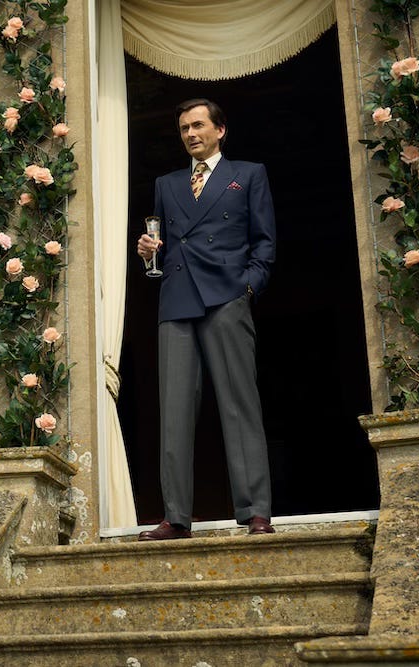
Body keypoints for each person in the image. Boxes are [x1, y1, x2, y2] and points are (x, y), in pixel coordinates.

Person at [135, 98, 276, 540]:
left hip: (226, 298)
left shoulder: (248, 175)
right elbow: (163, 246)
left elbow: (265, 244)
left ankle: (256, 511)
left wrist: (247, 289)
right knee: (173, 412)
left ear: (220, 130)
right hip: (176, 301)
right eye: (183, 129)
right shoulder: (167, 182)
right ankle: (176, 517)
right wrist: (147, 255)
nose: (190, 134)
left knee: (239, 405)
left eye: (198, 126)